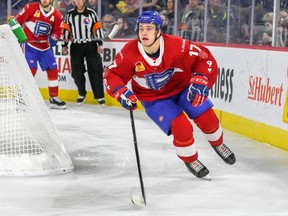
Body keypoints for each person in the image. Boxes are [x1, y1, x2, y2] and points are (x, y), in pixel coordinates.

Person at [103, 11, 236, 179]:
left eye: (149, 29)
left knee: (206, 115)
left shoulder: (177, 46)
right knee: (181, 127)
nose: (144, 33)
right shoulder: (129, 52)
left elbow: (204, 58)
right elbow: (111, 75)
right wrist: (120, 92)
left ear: (159, 31)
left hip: (182, 87)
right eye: (141, 28)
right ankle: (190, 159)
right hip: (154, 98)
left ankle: (218, 144)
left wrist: (203, 78)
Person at [8, 0, 66, 109]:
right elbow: (17, 21)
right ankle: (22, 96)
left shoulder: (57, 15)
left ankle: (54, 98)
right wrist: (14, 30)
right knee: (31, 70)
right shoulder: (31, 8)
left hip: (45, 48)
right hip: (30, 47)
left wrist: (54, 37)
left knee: (53, 69)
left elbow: (58, 31)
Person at [62, 0, 105, 106]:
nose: (78, 2)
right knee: (76, 72)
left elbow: (97, 28)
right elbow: (66, 30)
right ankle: (81, 93)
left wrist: (100, 43)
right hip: (76, 45)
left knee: (96, 69)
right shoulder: (69, 15)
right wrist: (64, 45)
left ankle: (99, 96)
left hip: (90, 44)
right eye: (76, 0)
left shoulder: (91, 13)